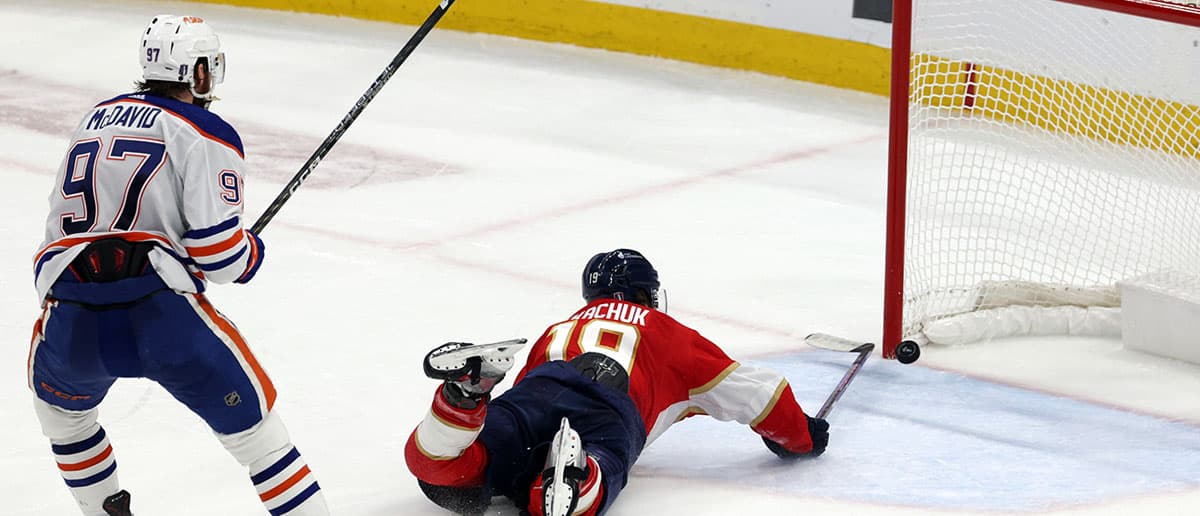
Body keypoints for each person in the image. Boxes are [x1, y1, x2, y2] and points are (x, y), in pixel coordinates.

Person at [28, 15, 329, 516]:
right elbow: (221, 258)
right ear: (201, 74)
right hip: (161, 318)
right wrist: (251, 250)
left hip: (71, 313)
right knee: (260, 439)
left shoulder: (93, 118)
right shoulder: (205, 131)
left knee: (65, 419)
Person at [405, 249, 829, 516]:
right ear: (646, 295)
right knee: (588, 486)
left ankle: (460, 399)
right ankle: (579, 470)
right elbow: (760, 392)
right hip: (607, 411)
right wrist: (800, 437)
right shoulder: (667, 332)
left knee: (447, 477)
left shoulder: (561, 327)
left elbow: (532, 383)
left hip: (533, 393)